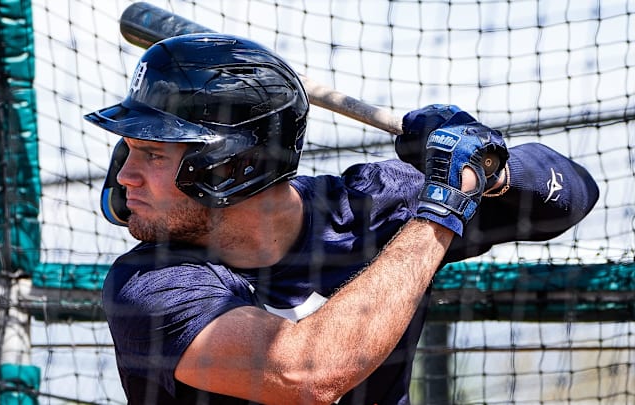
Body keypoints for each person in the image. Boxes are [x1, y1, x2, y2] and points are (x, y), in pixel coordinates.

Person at [84, 33, 599, 405]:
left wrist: (487, 166)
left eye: (153, 154)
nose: (125, 176)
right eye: (128, 150)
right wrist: (443, 210)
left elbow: (572, 196)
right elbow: (304, 375)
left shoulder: (376, 204)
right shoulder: (151, 284)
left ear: (234, 165)